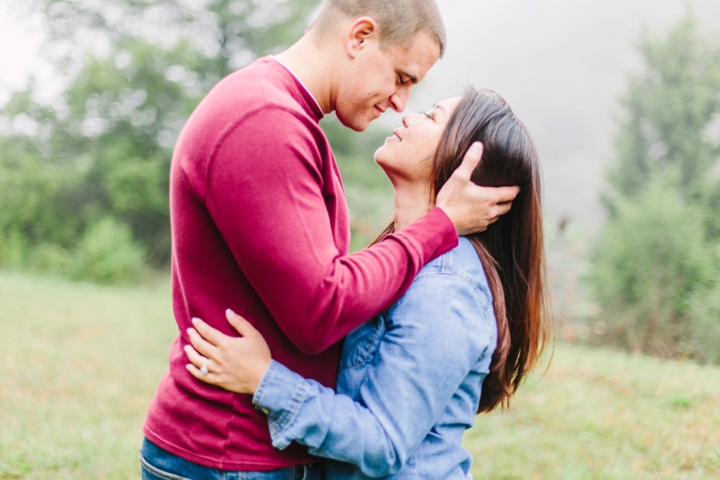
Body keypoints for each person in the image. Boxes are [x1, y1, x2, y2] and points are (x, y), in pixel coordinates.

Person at [141, 0, 521, 478]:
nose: (401, 105)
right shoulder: (265, 121)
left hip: (251, 448)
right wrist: (440, 223)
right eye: (402, 78)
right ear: (360, 37)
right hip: (230, 450)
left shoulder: (288, 120)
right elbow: (323, 308)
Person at [184, 88, 549, 479]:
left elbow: (384, 443)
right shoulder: (404, 261)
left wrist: (265, 379)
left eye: (430, 116)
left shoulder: (445, 289)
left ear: (465, 161)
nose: (407, 115)